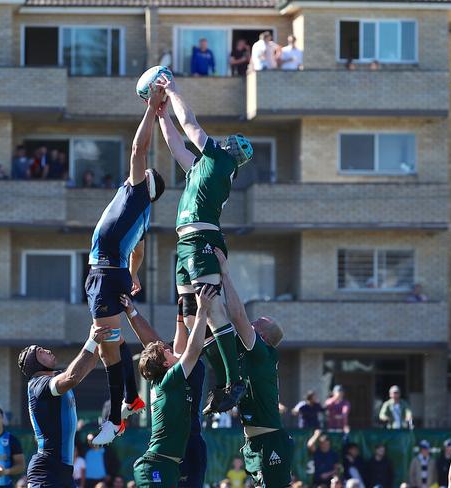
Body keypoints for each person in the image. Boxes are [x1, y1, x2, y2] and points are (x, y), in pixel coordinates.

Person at [157, 73, 253, 415]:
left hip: (202, 239)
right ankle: (207, 375)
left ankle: (234, 379)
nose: (224, 141)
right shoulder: (203, 166)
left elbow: (191, 123)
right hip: (187, 243)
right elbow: (176, 145)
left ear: (233, 154)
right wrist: (160, 113)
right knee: (188, 313)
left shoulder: (220, 160)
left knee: (211, 308)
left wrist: (173, 91)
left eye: (231, 142)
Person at [85, 83, 166, 445]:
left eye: (144, 173)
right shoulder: (142, 212)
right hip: (109, 273)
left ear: (147, 185)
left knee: (105, 346)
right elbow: (139, 251)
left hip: (104, 272)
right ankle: (132, 397)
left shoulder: (137, 192)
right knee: (112, 344)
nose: (139, 170)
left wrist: (151, 107)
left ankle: (116, 418)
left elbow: (139, 147)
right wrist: (133, 277)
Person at [216, 249, 294, 488]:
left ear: (262, 336)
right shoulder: (249, 352)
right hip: (254, 442)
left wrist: (225, 274)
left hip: (271, 439)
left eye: (256, 323)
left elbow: (238, 316)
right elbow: (223, 322)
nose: (250, 323)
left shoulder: (263, 353)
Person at [129, 286, 216, 487]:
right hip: (156, 464)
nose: (168, 348)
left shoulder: (167, 377)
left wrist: (180, 316)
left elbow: (178, 349)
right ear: (166, 364)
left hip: (165, 463)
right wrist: (202, 310)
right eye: (165, 351)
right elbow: (191, 351)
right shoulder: (171, 379)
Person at [17, 325, 111, 488]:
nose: (46, 350)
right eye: (40, 351)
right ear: (34, 363)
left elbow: (87, 366)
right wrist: (91, 341)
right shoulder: (38, 385)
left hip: (63, 472)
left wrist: (97, 339)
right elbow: (72, 377)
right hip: (47, 472)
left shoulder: (54, 378)